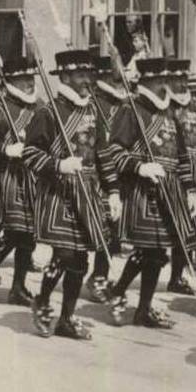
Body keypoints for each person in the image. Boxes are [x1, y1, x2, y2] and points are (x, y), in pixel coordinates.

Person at [103, 57, 196, 329]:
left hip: (170, 190)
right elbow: (114, 151)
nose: (164, 86)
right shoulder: (131, 109)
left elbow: (182, 156)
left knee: (157, 254)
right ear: (146, 82)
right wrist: (140, 166)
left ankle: (139, 307)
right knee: (149, 249)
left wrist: (190, 190)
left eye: (166, 81)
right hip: (143, 188)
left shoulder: (170, 113)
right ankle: (121, 292)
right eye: (159, 81)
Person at [22, 49, 109, 339]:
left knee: (80, 262)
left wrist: (115, 191)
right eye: (81, 75)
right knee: (64, 255)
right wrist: (58, 164)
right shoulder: (48, 112)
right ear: (67, 77)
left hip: (88, 192)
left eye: (90, 75)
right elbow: (30, 155)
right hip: (58, 192)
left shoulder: (94, 111)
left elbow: (103, 155)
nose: (88, 81)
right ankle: (44, 299)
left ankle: (67, 318)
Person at [0, 55, 39, 306]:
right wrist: (6, 150)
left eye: (31, 78)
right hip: (9, 176)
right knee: (15, 232)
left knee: (30, 236)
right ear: (12, 80)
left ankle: (18, 286)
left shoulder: (41, 106)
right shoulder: (0, 108)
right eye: (23, 78)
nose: (29, 83)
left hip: (35, 176)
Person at [85, 55, 128, 302]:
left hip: (118, 171)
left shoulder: (123, 104)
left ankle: (100, 275)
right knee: (104, 230)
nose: (120, 80)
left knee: (113, 230)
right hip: (98, 173)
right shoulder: (95, 103)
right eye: (114, 76)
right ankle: (97, 277)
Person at [166, 59, 196, 295]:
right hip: (173, 166)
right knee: (175, 223)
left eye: (184, 78)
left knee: (189, 223)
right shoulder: (165, 104)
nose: (182, 83)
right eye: (177, 79)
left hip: (194, 166)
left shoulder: (192, 104)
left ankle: (177, 276)